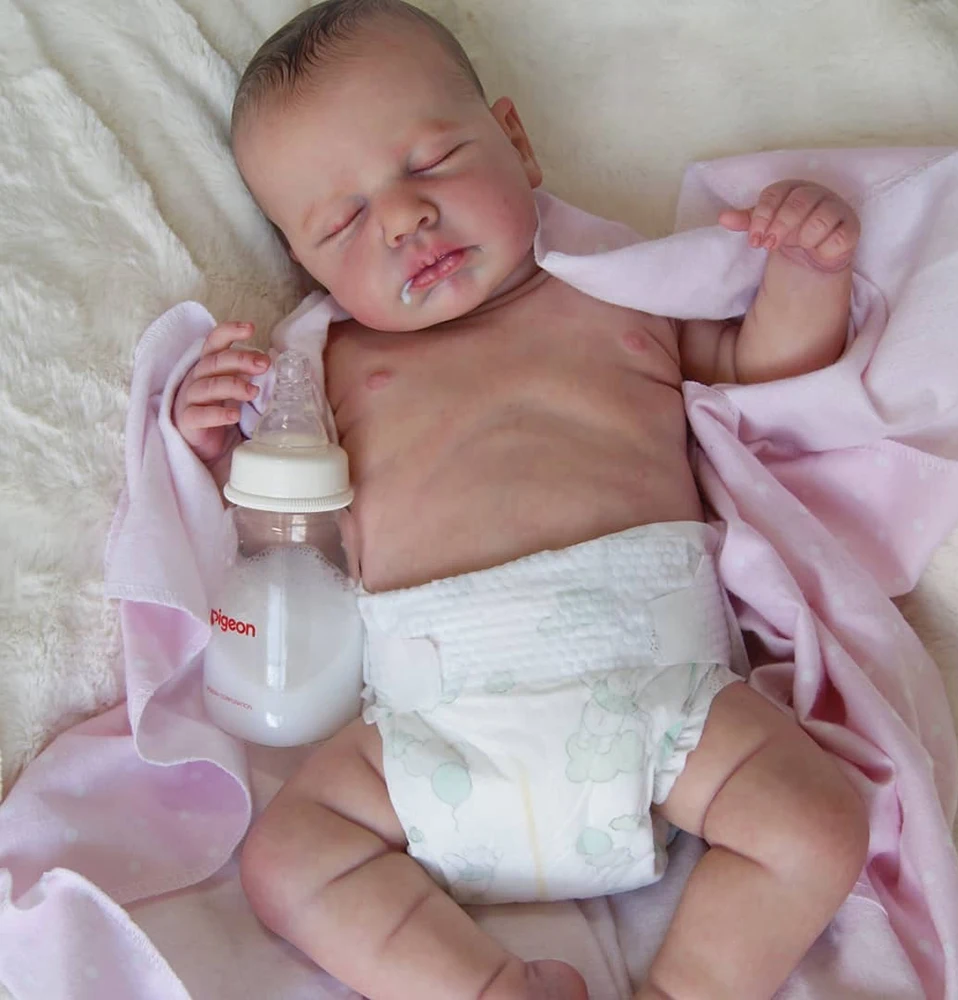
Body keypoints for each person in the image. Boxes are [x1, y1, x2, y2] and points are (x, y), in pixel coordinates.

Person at [173, 2, 869, 997]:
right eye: (343, 220)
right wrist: (205, 440)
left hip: (663, 699)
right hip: (431, 723)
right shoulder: (323, 368)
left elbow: (766, 378)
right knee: (286, 861)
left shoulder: (623, 292)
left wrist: (806, 274)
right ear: (305, 263)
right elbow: (271, 529)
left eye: (431, 160)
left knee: (816, 822)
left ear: (516, 141)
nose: (404, 218)